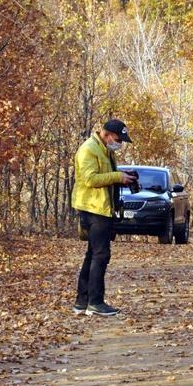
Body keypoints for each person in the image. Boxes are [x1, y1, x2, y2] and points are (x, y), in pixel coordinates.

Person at [71, 119, 137, 316]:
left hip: (102, 208)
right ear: (107, 135)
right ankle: (95, 302)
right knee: (101, 255)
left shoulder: (104, 150)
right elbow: (90, 179)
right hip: (93, 209)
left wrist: (122, 176)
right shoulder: (88, 150)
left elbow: (104, 175)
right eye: (118, 139)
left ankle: (82, 301)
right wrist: (117, 177)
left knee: (92, 254)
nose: (120, 144)